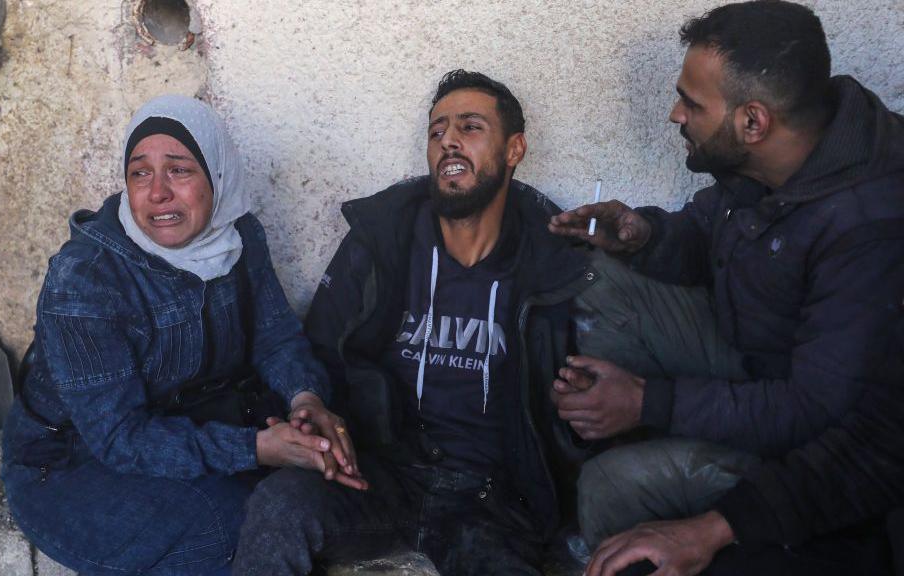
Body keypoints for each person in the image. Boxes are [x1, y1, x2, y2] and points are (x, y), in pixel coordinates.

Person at [548, 1, 904, 574]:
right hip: (748, 359)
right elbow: (707, 233)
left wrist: (648, 400)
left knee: (609, 487)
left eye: (691, 102)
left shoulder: (869, 225)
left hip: (811, 441)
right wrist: (645, 236)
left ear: (752, 121)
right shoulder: (780, 152)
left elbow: (814, 410)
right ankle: (626, 424)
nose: (674, 114)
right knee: (597, 273)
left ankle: (665, 504)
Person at [232, 70, 598, 575]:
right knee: (279, 506)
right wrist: (313, 409)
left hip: (494, 501)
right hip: (382, 476)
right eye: (437, 131)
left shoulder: (552, 259)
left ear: (515, 150)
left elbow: (590, 396)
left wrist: (577, 400)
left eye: (470, 127)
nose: (448, 140)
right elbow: (321, 351)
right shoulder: (383, 240)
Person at [0, 95, 364, 576]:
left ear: (216, 175)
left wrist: (306, 400)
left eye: (179, 170)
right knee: (232, 528)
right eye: (140, 173)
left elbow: (276, 338)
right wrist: (254, 448)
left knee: (311, 498)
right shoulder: (85, 279)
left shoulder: (237, 237)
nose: (157, 193)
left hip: (188, 429)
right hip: (71, 465)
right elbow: (118, 437)